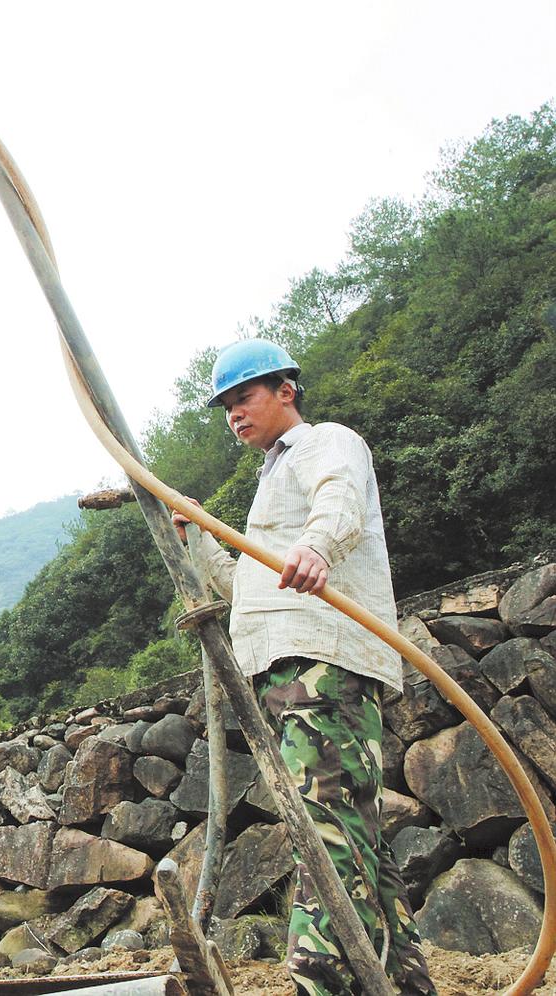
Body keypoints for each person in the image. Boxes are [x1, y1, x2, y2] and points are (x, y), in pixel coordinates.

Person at [173, 338, 436, 996]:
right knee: (351, 832)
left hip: (321, 658)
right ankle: (400, 984)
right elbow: (250, 590)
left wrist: (319, 544)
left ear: (284, 391)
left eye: (245, 397)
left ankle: (319, 978)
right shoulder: (269, 483)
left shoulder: (323, 442)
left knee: (323, 826)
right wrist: (199, 537)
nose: (234, 414)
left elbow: (337, 498)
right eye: (226, 405)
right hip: (289, 658)